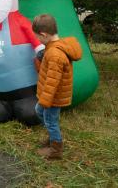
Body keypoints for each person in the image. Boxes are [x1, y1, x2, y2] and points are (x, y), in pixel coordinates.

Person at [31, 13, 82, 160]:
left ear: (44, 34)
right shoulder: (52, 46)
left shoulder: (54, 54)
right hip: (48, 95)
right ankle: (53, 136)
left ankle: (56, 148)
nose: (37, 40)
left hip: (53, 97)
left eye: (37, 37)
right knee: (39, 111)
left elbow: (53, 81)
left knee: (50, 120)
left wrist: (46, 100)